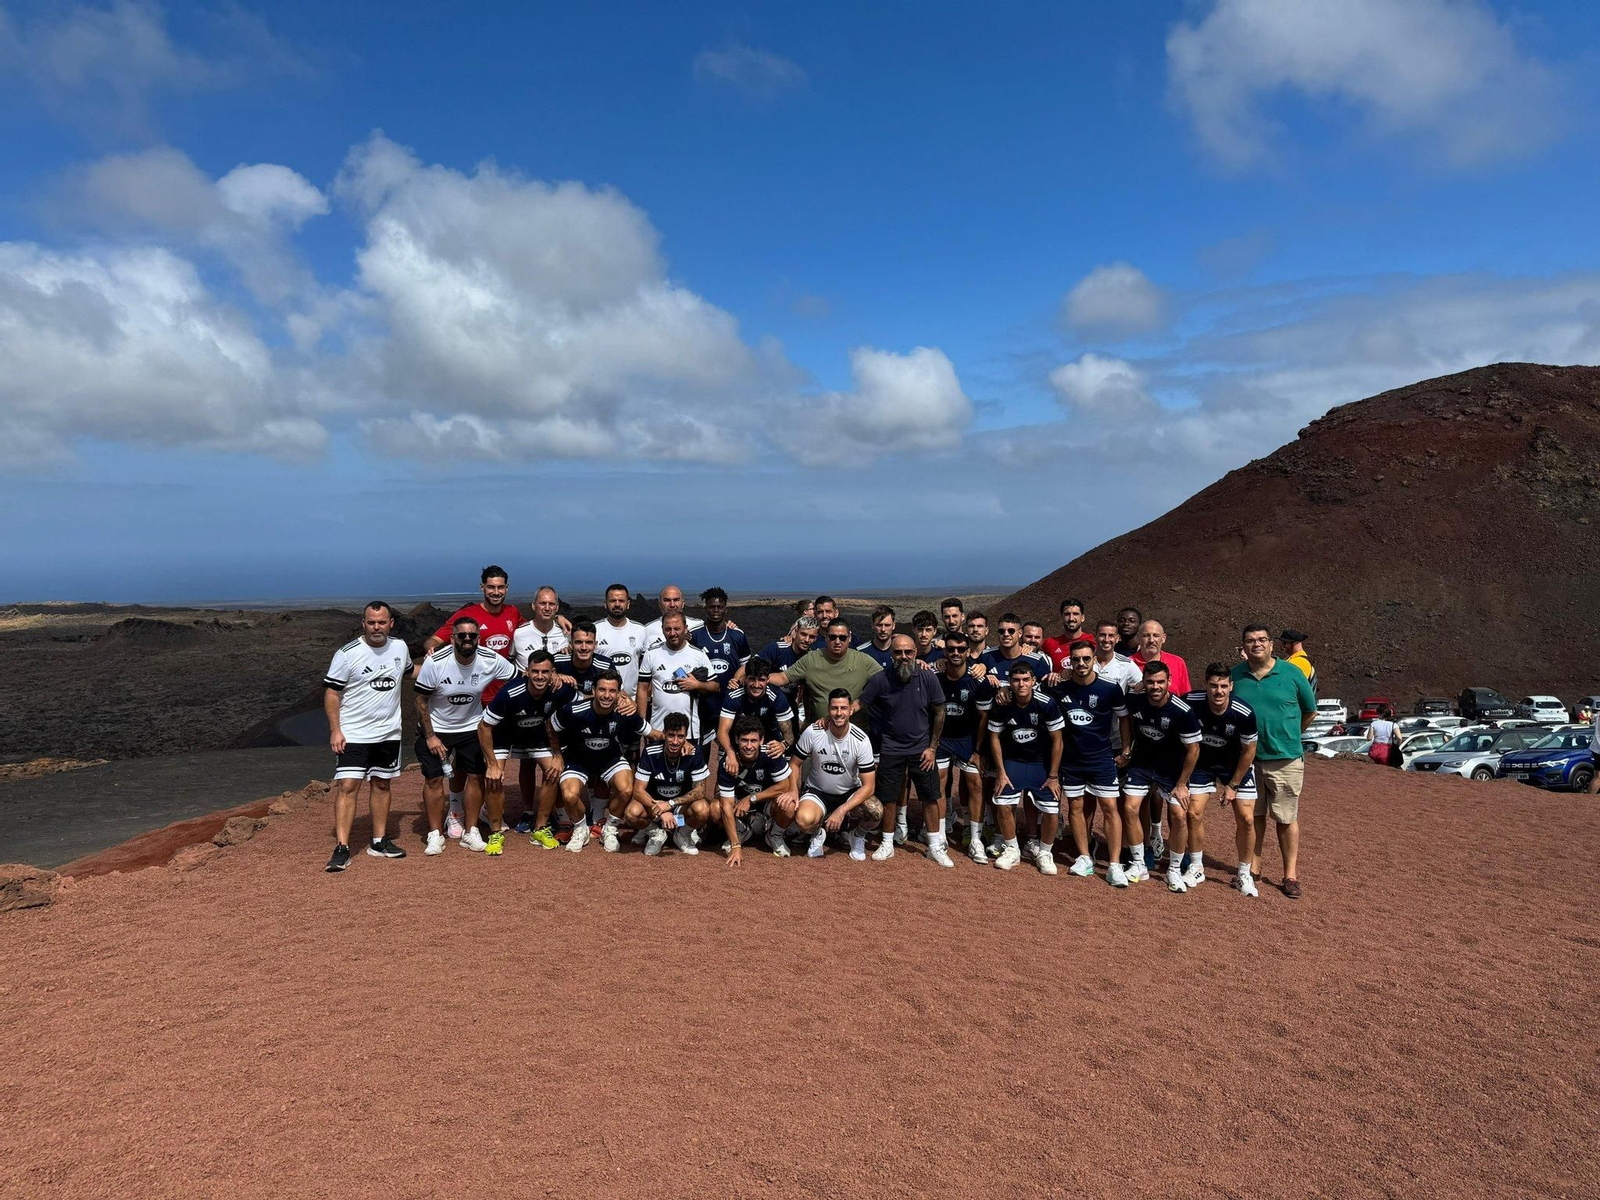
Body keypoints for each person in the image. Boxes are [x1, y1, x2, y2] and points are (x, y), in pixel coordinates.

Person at [423, 566, 522, 839]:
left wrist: (559, 617)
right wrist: (433, 648)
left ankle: (481, 812)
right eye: (491, 587)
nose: (496, 592)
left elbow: (534, 628)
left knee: (488, 764)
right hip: (473, 704)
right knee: (463, 765)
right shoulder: (468, 617)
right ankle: (455, 812)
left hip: (501, 702)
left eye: (500, 587)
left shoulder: (513, 614)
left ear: (507, 588)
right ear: (482, 588)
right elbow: (434, 639)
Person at [412, 617, 517, 856]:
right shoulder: (436, 663)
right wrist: (430, 736)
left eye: (472, 636)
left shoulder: (490, 660)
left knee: (476, 776)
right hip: (438, 729)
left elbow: (517, 678)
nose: (467, 640)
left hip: (471, 726)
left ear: (478, 639)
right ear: (452, 639)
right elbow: (419, 699)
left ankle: (471, 831)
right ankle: (435, 833)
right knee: (434, 779)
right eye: (462, 636)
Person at [321, 601, 412, 871]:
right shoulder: (347, 654)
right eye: (371, 622)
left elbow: (408, 673)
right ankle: (342, 847)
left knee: (382, 784)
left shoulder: (400, 647)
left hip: (388, 732)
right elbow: (331, 693)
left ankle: (379, 840)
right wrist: (335, 730)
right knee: (348, 786)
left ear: (390, 623)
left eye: (381, 622)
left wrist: (444, 668)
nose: (376, 627)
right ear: (363, 623)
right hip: (354, 733)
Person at [1229, 625, 1317, 900]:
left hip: (1285, 759)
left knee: (1285, 818)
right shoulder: (1235, 675)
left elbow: (1310, 711)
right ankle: (1253, 869)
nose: (1256, 644)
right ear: (1244, 645)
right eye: (1250, 640)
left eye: (1262, 640)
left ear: (1271, 645)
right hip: (1248, 760)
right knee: (1253, 817)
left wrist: (1290, 735)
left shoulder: (1292, 672)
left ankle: (1290, 875)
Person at [859, 634, 950, 866]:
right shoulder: (881, 679)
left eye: (908, 652)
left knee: (930, 797)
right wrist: (836, 715)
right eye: (898, 653)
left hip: (922, 749)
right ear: (892, 655)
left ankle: (934, 846)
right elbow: (861, 703)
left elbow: (940, 711)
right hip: (891, 748)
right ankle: (887, 843)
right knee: (889, 798)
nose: (903, 657)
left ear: (915, 653)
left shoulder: (927, 678)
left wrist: (932, 747)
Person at [477, 650, 577, 849]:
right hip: (504, 735)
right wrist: (491, 764)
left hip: (537, 736)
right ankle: (496, 832)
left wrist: (558, 755)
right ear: (527, 672)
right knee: (494, 776)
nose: (540, 676)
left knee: (554, 771)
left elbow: (577, 711)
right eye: (535, 671)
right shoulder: (509, 693)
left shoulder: (561, 690)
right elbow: (484, 726)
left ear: (553, 673)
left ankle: (540, 828)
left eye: (545, 672)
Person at [1048, 639, 1129, 880]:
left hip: (1102, 758)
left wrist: (1126, 750)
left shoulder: (1110, 688)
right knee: (1075, 807)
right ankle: (1084, 857)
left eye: (1086, 658)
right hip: (1071, 760)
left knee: (1110, 808)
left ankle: (1114, 864)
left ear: (1094, 659)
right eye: (1076, 659)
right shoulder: (1059, 687)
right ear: (1069, 662)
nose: (1081, 663)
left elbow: (1124, 719)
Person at [1115, 661, 1201, 888]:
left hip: (1171, 769)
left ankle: (1173, 869)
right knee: (1130, 807)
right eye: (1150, 682)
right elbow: (1124, 720)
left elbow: (1194, 750)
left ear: (1169, 682)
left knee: (1179, 815)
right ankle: (1139, 864)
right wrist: (1126, 748)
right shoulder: (1135, 701)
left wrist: (1182, 783)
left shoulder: (1183, 711)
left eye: (1160, 682)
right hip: (1142, 765)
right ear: (1144, 682)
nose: (1155, 686)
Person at [773, 689, 882, 860]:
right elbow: (794, 763)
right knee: (802, 820)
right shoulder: (814, 732)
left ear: (850, 711)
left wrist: (842, 810)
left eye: (843, 708)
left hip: (848, 793)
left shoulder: (861, 740)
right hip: (818, 792)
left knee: (875, 811)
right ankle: (817, 833)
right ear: (828, 709)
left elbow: (869, 786)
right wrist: (794, 790)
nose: (839, 713)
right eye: (834, 708)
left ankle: (857, 835)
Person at [551, 670, 645, 853]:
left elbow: (651, 732)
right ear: (593, 690)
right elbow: (552, 726)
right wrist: (557, 754)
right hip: (577, 760)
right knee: (569, 795)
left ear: (619, 693)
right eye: (602, 690)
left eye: (612, 691)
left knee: (626, 789)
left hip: (609, 760)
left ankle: (609, 828)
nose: (607, 695)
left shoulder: (624, 711)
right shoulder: (574, 710)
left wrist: (679, 742)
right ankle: (580, 829)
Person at [984, 660, 1064, 873]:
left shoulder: (1046, 703)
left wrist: (1054, 775)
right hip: (1013, 761)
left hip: (1041, 763)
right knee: (1002, 801)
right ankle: (1012, 850)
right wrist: (1001, 772)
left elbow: (1058, 740)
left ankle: (1046, 852)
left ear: (1034, 681)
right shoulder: (1002, 703)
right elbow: (994, 737)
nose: (1021, 684)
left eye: (1026, 680)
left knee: (1051, 808)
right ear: (1009, 682)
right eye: (1016, 680)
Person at [1187, 663, 1260, 896]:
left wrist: (1233, 785)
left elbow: (1250, 749)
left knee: (1247, 819)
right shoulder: (1190, 701)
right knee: (1193, 812)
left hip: (1235, 765)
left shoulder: (1244, 711)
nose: (1218, 691)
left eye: (1223, 686)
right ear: (1205, 685)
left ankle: (1243, 874)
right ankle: (1197, 866)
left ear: (1231, 686)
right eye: (1213, 685)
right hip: (1202, 764)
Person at [933, 629, 993, 863]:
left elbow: (983, 718)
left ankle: (976, 838)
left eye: (960, 649)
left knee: (975, 782)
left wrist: (978, 751)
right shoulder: (936, 678)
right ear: (945, 651)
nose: (955, 653)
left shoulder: (978, 682)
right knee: (939, 780)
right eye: (951, 649)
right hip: (943, 740)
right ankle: (938, 836)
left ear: (968, 652)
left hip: (967, 741)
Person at [625, 712, 717, 858]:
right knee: (631, 813)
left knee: (703, 809)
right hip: (654, 806)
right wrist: (661, 809)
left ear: (686, 736)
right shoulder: (650, 752)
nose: (675, 741)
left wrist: (670, 804)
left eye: (680, 737)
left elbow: (700, 791)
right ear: (664, 734)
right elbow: (638, 791)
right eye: (671, 735)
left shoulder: (695, 752)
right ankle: (656, 833)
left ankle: (682, 834)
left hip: (680, 807)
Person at [768, 618, 883, 726]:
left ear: (850, 638)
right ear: (826, 638)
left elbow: (886, 681)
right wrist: (758, 680)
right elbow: (783, 678)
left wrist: (863, 700)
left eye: (842, 637)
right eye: (833, 637)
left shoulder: (863, 660)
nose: (837, 641)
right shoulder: (811, 659)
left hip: (855, 731)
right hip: (820, 730)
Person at [690, 587, 751, 772]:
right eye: (711, 607)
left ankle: (723, 795)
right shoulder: (694, 635)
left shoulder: (737, 635)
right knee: (702, 754)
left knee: (730, 754)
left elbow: (747, 666)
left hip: (730, 703)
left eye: (719, 607)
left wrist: (737, 679)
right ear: (705, 609)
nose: (715, 610)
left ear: (726, 609)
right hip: (704, 705)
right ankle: (701, 795)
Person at [718, 714, 796, 857]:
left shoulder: (771, 753)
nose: (749, 746)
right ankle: (741, 831)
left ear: (761, 740)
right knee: (716, 808)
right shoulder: (728, 761)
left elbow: (785, 786)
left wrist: (751, 798)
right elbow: (726, 805)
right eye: (744, 740)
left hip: (766, 804)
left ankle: (774, 835)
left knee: (789, 805)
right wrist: (735, 846)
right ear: (736, 739)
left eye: (753, 741)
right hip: (738, 807)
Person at [637, 613, 718, 745]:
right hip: (658, 730)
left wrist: (697, 685)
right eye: (668, 629)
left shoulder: (698, 655)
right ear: (662, 629)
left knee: (688, 765)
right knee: (656, 765)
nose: (672, 633)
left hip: (689, 732)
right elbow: (642, 689)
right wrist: (643, 725)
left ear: (685, 628)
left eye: (677, 628)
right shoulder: (651, 654)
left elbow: (715, 686)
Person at [716, 656, 795, 764]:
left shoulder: (776, 697)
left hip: (767, 742)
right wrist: (730, 753)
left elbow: (789, 735)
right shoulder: (734, 695)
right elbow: (722, 732)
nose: (756, 685)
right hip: (737, 742)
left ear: (768, 680)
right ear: (745, 678)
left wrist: (783, 745)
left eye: (761, 680)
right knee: (725, 764)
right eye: (752, 679)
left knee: (784, 770)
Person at [593, 583, 648, 698]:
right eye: (612, 601)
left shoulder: (641, 631)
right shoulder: (595, 630)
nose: (617, 604)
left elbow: (646, 669)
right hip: (603, 699)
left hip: (630, 702)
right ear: (605, 604)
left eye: (621, 601)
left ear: (628, 604)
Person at [761, 615, 818, 718]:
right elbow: (751, 667)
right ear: (796, 631)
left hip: (789, 705)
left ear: (816, 638)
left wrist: (807, 718)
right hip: (765, 703)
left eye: (811, 637)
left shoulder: (811, 659)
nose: (807, 640)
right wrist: (736, 679)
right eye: (803, 634)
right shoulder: (777, 648)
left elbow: (806, 691)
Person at [979, 613, 1052, 687]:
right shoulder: (986, 656)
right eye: (1001, 631)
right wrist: (985, 678)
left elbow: (1046, 690)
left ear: (1020, 633)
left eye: (1011, 631)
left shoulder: (1036, 660)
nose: (1006, 634)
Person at [512, 585, 570, 667]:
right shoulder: (518, 633)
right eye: (542, 603)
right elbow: (508, 663)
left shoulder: (566, 633)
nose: (547, 608)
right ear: (533, 606)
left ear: (557, 608)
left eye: (551, 604)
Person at [553, 620, 614, 696]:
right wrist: (555, 676)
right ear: (571, 644)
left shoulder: (606, 666)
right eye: (578, 642)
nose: (584, 648)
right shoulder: (557, 661)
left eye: (589, 642)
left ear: (595, 645)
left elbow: (617, 694)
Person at [640, 584, 706, 653]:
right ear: (659, 604)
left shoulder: (698, 626)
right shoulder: (647, 630)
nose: (672, 605)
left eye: (676, 600)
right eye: (667, 600)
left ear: (683, 603)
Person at [1041, 597, 1095, 674]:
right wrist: (1028, 648)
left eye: (1075, 614)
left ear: (1082, 618)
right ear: (1062, 617)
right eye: (1067, 614)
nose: (1071, 618)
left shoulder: (1093, 642)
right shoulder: (1049, 643)